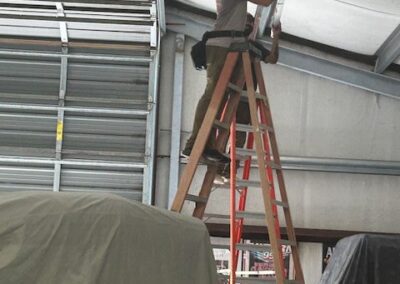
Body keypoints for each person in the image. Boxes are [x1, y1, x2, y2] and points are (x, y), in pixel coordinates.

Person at [181, 0, 275, 163]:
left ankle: (208, 145)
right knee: (212, 96)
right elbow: (265, 2)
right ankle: (193, 144)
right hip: (221, 45)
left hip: (226, 45)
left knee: (219, 97)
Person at [215, 14, 282, 183]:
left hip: (245, 98)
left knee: (239, 137)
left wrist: (276, 38)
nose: (248, 25)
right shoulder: (229, 44)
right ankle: (217, 169)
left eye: (250, 23)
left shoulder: (253, 47)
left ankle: (228, 171)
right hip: (229, 95)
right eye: (245, 22)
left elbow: (272, 58)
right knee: (222, 133)